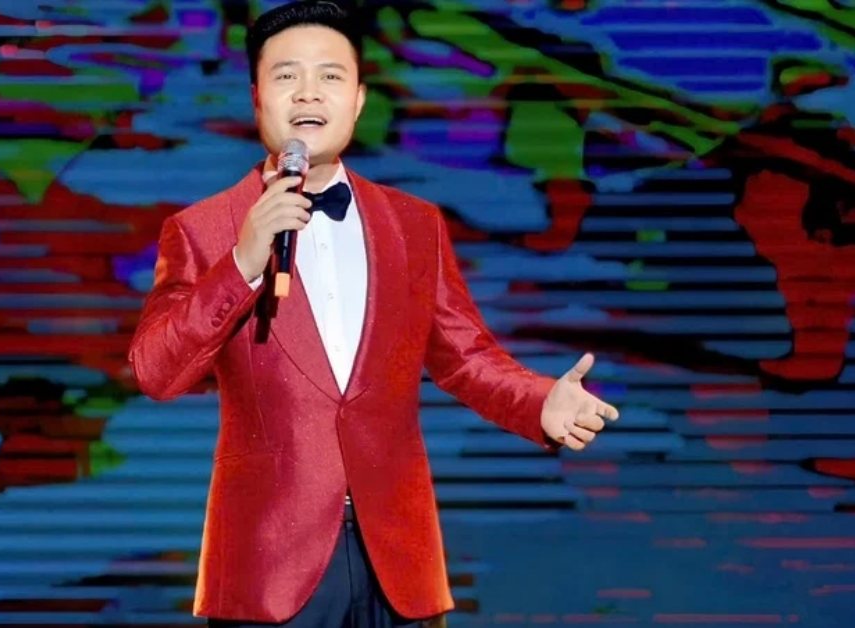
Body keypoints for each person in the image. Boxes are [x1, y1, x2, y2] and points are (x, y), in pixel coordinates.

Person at [127, 1, 620, 626]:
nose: (309, 92)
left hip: (400, 558)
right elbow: (156, 371)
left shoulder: (414, 225)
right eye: (287, 75)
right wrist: (243, 262)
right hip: (268, 565)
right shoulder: (201, 230)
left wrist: (539, 402)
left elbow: (465, 357)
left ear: (358, 99)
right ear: (256, 97)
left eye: (330, 75)